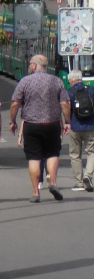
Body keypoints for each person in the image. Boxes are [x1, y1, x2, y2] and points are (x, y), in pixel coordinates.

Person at [9, 54, 71, 202]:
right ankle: (53, 183)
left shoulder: (25, 81)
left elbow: (15, 104)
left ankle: (35, 192)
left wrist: (12, 121)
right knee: (52, 154)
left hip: (31, 125)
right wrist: (67, 121)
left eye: (31, 64)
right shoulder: (56, 81)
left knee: (34, 158)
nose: (30, 66)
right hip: (52, 124)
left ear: (35, 65)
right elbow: (65, 103)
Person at [67, 69, 94, 192]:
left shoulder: (69, 93)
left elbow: (66, 109)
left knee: (75, 155)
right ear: (81, 79)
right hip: (91, 126)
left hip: (75, 127)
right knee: (92, 152)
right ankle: (88, 176)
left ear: (72, 80)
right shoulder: (91, 90)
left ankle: (79, 183)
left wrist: (67, 122)